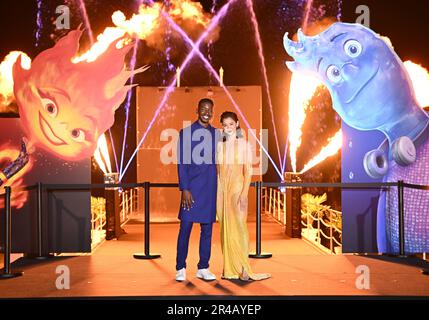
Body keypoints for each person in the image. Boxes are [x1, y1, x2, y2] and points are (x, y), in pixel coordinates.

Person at [217, 111, 270, 281]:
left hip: (238, 188)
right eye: (225, 125)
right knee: (225, 228)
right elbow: (218, 171)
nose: (228, 128)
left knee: (240, 227)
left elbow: (248, 171)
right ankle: (229, 268)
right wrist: (217, 193)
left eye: (231, 124)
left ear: (237, 124)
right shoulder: (220, 146)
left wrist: (244, 193)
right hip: (222, 190)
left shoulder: (244, 145)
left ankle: (244, 269)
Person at [175, 98, 219, 282]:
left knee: (207, 229)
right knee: (185, 227)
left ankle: (203, 267)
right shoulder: (185, 133)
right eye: (203, 109)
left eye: (210, 109)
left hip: (209, 187)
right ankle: (180, 267)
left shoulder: (217, 134)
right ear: (197, 109)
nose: (206, 112)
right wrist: (184, 188)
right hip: (191, 188)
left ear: (213, 112)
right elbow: (182, 164)